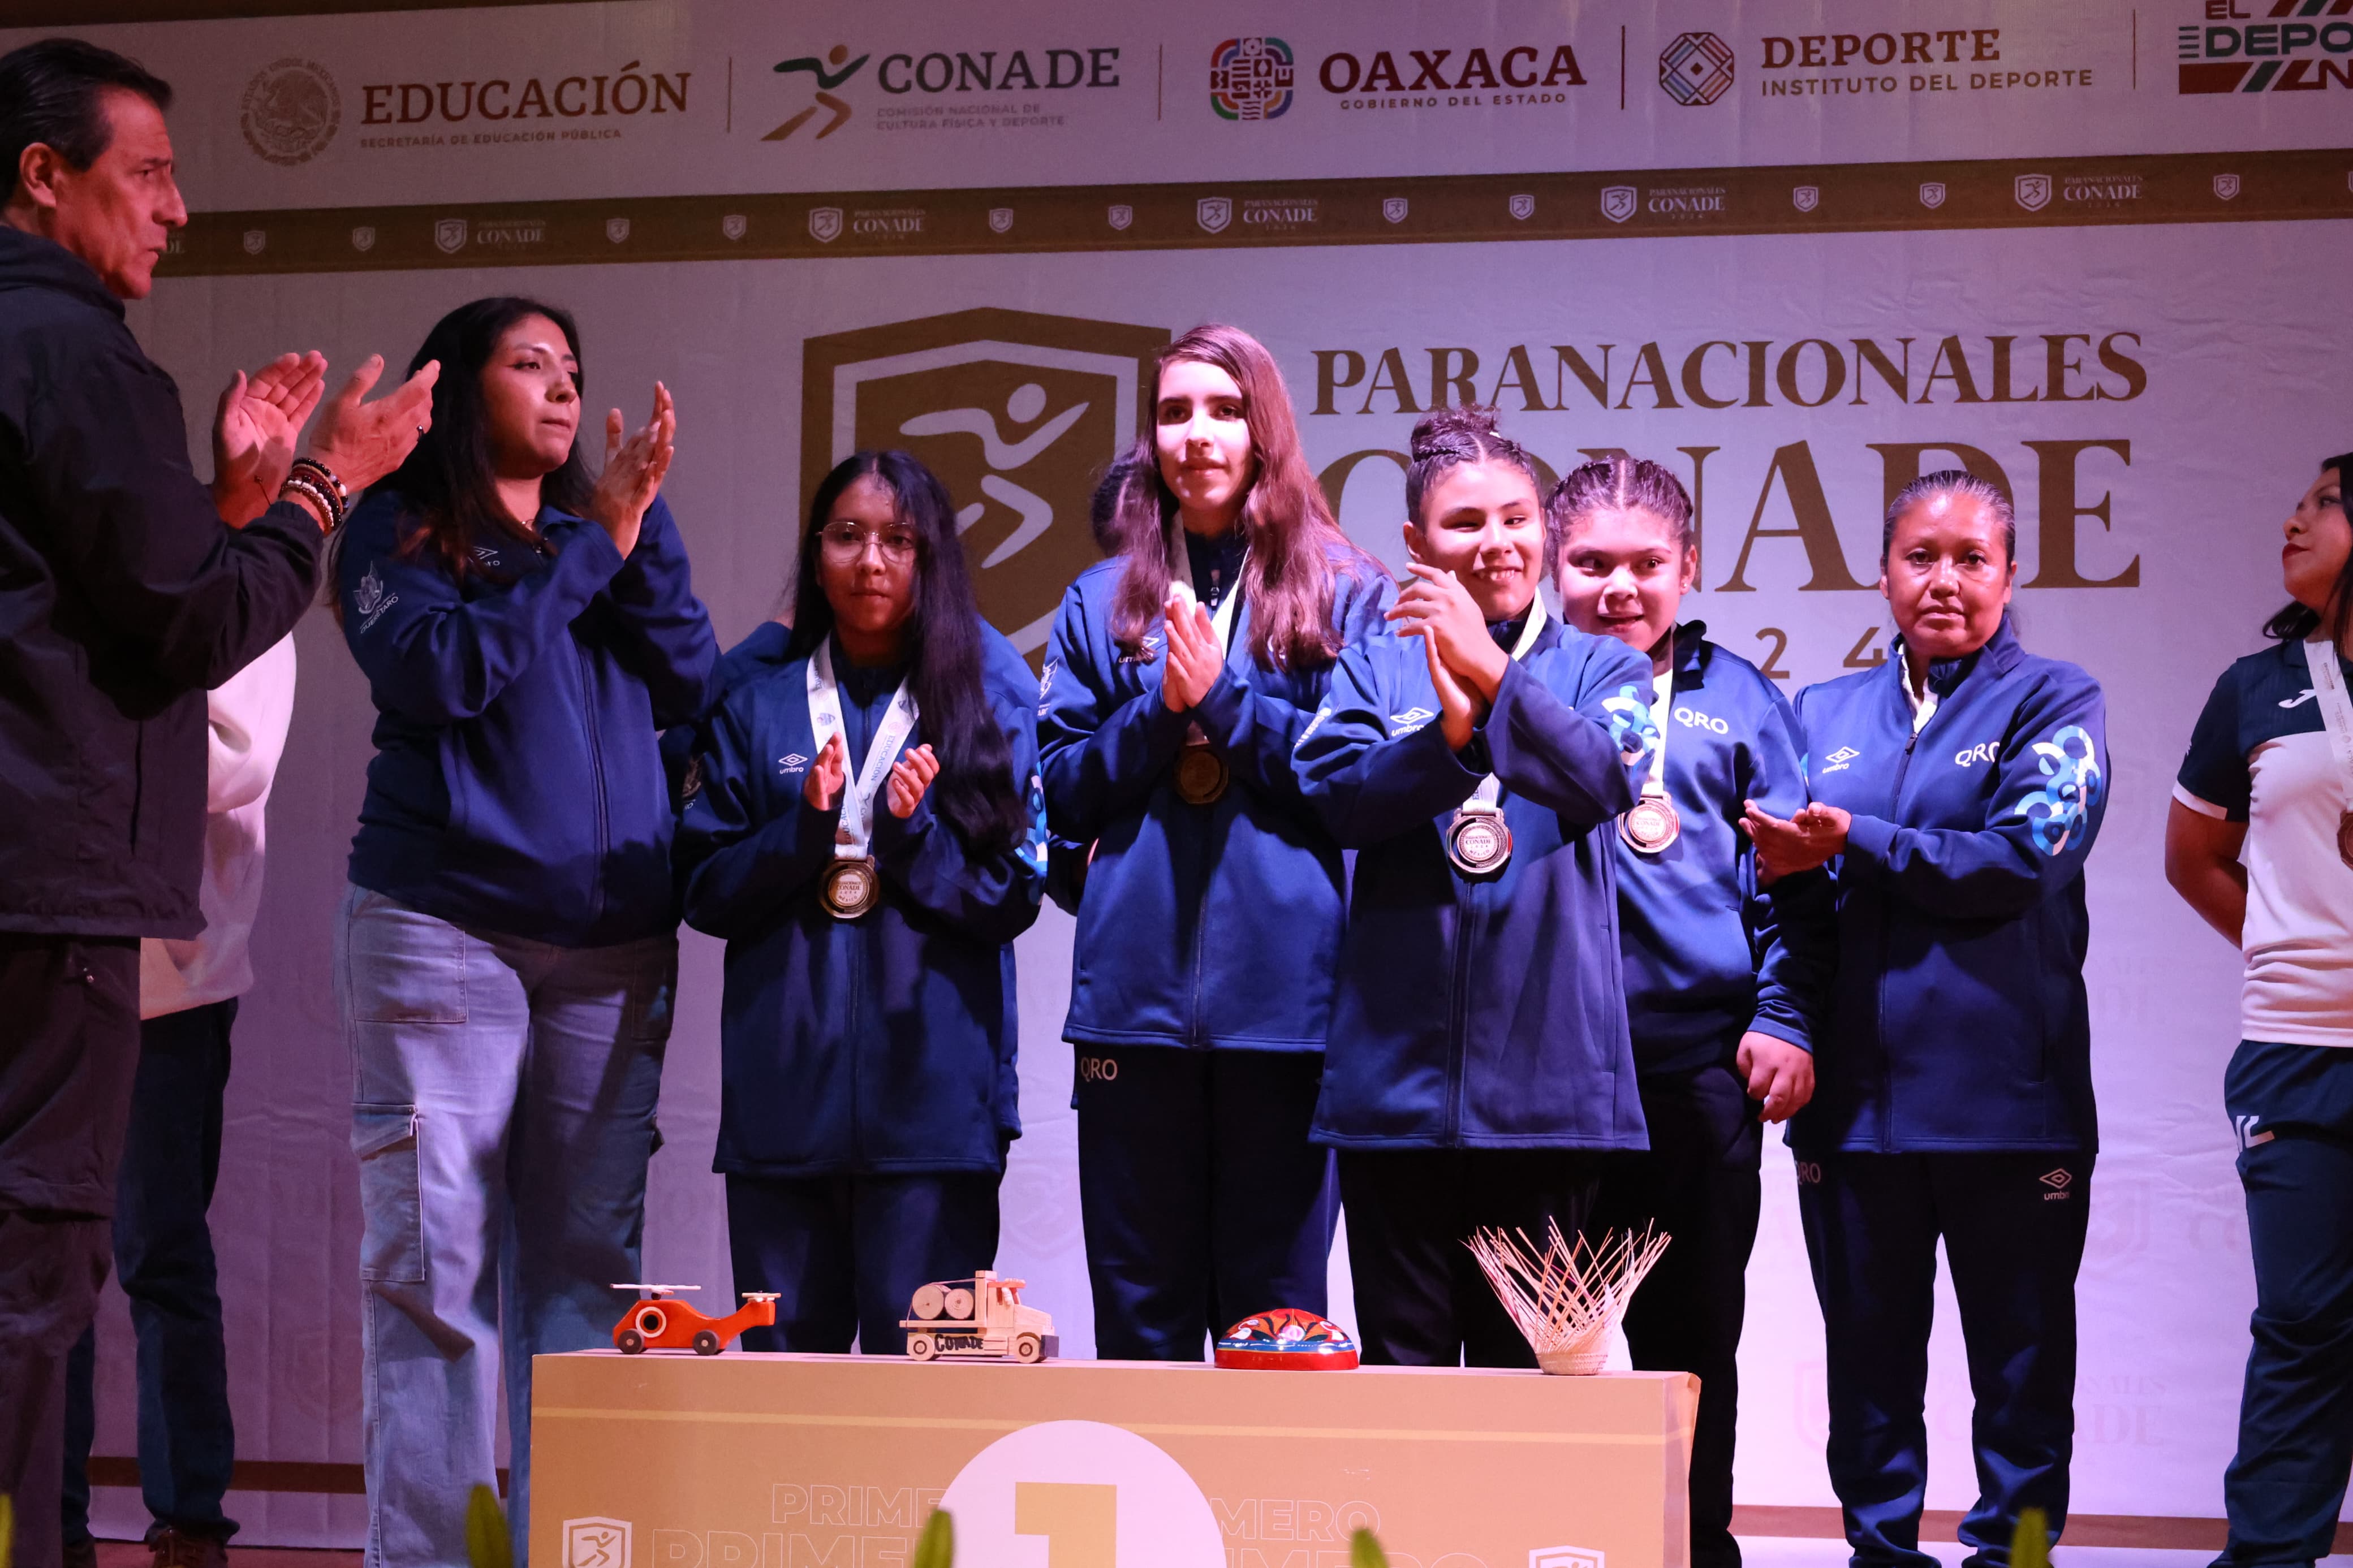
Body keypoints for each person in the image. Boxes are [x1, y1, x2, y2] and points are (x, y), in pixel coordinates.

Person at [0, 37, 433, 1568]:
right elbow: (182, 626)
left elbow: (103, 590)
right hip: (45, 891)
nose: (178, 211)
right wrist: (324, 489)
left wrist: (238, 509)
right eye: (153, 174)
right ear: (44, 179)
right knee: (38, 1268)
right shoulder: (73, 347)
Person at [331, 296, 714, 1568]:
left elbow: (692, 681)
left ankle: (572, 1550)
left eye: (573, 368)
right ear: (457, 388)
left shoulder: (595, 537)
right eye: (529, 364)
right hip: (447, 930)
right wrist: (589, 551)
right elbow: (442, 674)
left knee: (586, 1275)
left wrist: (633, 531)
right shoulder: (395, 527)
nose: (560, 387)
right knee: (437, 1275)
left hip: (611, 950)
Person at [1744, 470, 2108, 1568]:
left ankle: (2021, 1557)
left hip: (2014, 1109)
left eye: (1971, 559)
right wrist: (1788, 1015)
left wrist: (1854, 838)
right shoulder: (1823, 712)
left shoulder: (2056, 698)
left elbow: (2021, 859)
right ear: (1884, 568)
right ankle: (1878, 1553)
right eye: (1920, 556)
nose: (1943, 580)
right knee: (1866, 1373)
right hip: (1853, 1116)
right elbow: (1786, 895)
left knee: (2023, 1381)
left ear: (2009, 573)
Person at [1038, 323, 1388, 1358]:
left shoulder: (1342, 589)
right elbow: (1062, 791)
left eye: (1225, 410)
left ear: (1266, 429)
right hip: (1131, 1016)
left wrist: (1226, 704)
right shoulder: (1099, 604)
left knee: (1275, 1323)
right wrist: (1160, 710)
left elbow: (1353, 786)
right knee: (1141, 1319)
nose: (1197, 433)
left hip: (1286, 1013)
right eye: (1175, 411)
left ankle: (1266, 1528)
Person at [1294, 406, 1654, 1367]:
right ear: (1416, 544)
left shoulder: (1602, 666)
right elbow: (1333, 796)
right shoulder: (1373, 664)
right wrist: (1447, 742)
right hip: (1393, 1096)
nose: (1496, 543)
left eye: (1516, 517)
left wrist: (1494, 678)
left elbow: (1605, 778)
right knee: (1406, 1386)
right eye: (1464, 523)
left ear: (1545, 527)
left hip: (1548, 1098)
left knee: (1530, 1397)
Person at [675, 450, 1046, 1353]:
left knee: (920, 1414)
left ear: (932, 558)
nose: (871, 561)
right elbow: (702, 886)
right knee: (782, 1413)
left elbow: (1011, 897)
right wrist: (803, 831)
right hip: (781, 1118)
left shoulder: (989, 687)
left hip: (934, 1122)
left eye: (898, 540)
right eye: (847, 536)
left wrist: (915, 838)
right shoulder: (757, 691)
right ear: (814, 552)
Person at [1554, 456, 1829, 1568]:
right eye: (1590, 562)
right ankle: (1552, 1544)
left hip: (1693, 1073)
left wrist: (1789, 1015)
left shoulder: (1741, 701)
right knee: (1552, 1353)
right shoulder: (1518, 685)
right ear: (1548, 567)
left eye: (1645, 563)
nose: (1619, 585)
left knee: (1688, 1346)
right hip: (1544, 1079)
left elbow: (1796, 885)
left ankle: (1688, 1550)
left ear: (1689, 568)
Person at [58, 628, 296, 1568]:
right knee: (47, 1248)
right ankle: (48, 1513)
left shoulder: (244, 590)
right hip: (54, 950)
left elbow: (230, 761)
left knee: (159, 1246)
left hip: (173, 972)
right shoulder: (77, 566)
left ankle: (190, 1514)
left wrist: (79, 720)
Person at [2168, 452, 2353, 1568]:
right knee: (2299, 1327)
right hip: (2297, 1051)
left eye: (2325, 498)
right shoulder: (2258, 683)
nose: (2292, 513)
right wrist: (2286, 951)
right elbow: (2193, 856)